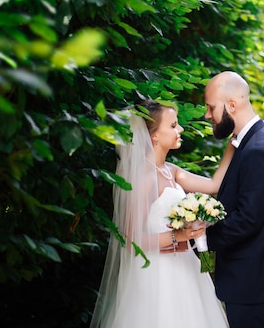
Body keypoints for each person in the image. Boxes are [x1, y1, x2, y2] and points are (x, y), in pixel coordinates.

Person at [90, 99, 234, 328]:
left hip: (184, 264)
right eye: (174, 125)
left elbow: (215, 184)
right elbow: (129, 239)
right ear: (154, 136)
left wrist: (233, 145)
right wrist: (180, 235)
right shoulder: (143, 179)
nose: (181, 129)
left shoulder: (171, 171)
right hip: (156, 273)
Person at [203, 71, 264, 328]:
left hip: (254, 279)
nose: (207, 114)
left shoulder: (259, 150)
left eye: (211, 107)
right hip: (251, 277)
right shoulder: (248, 144)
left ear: (232, 105)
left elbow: (247, 220)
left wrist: (200, 238)